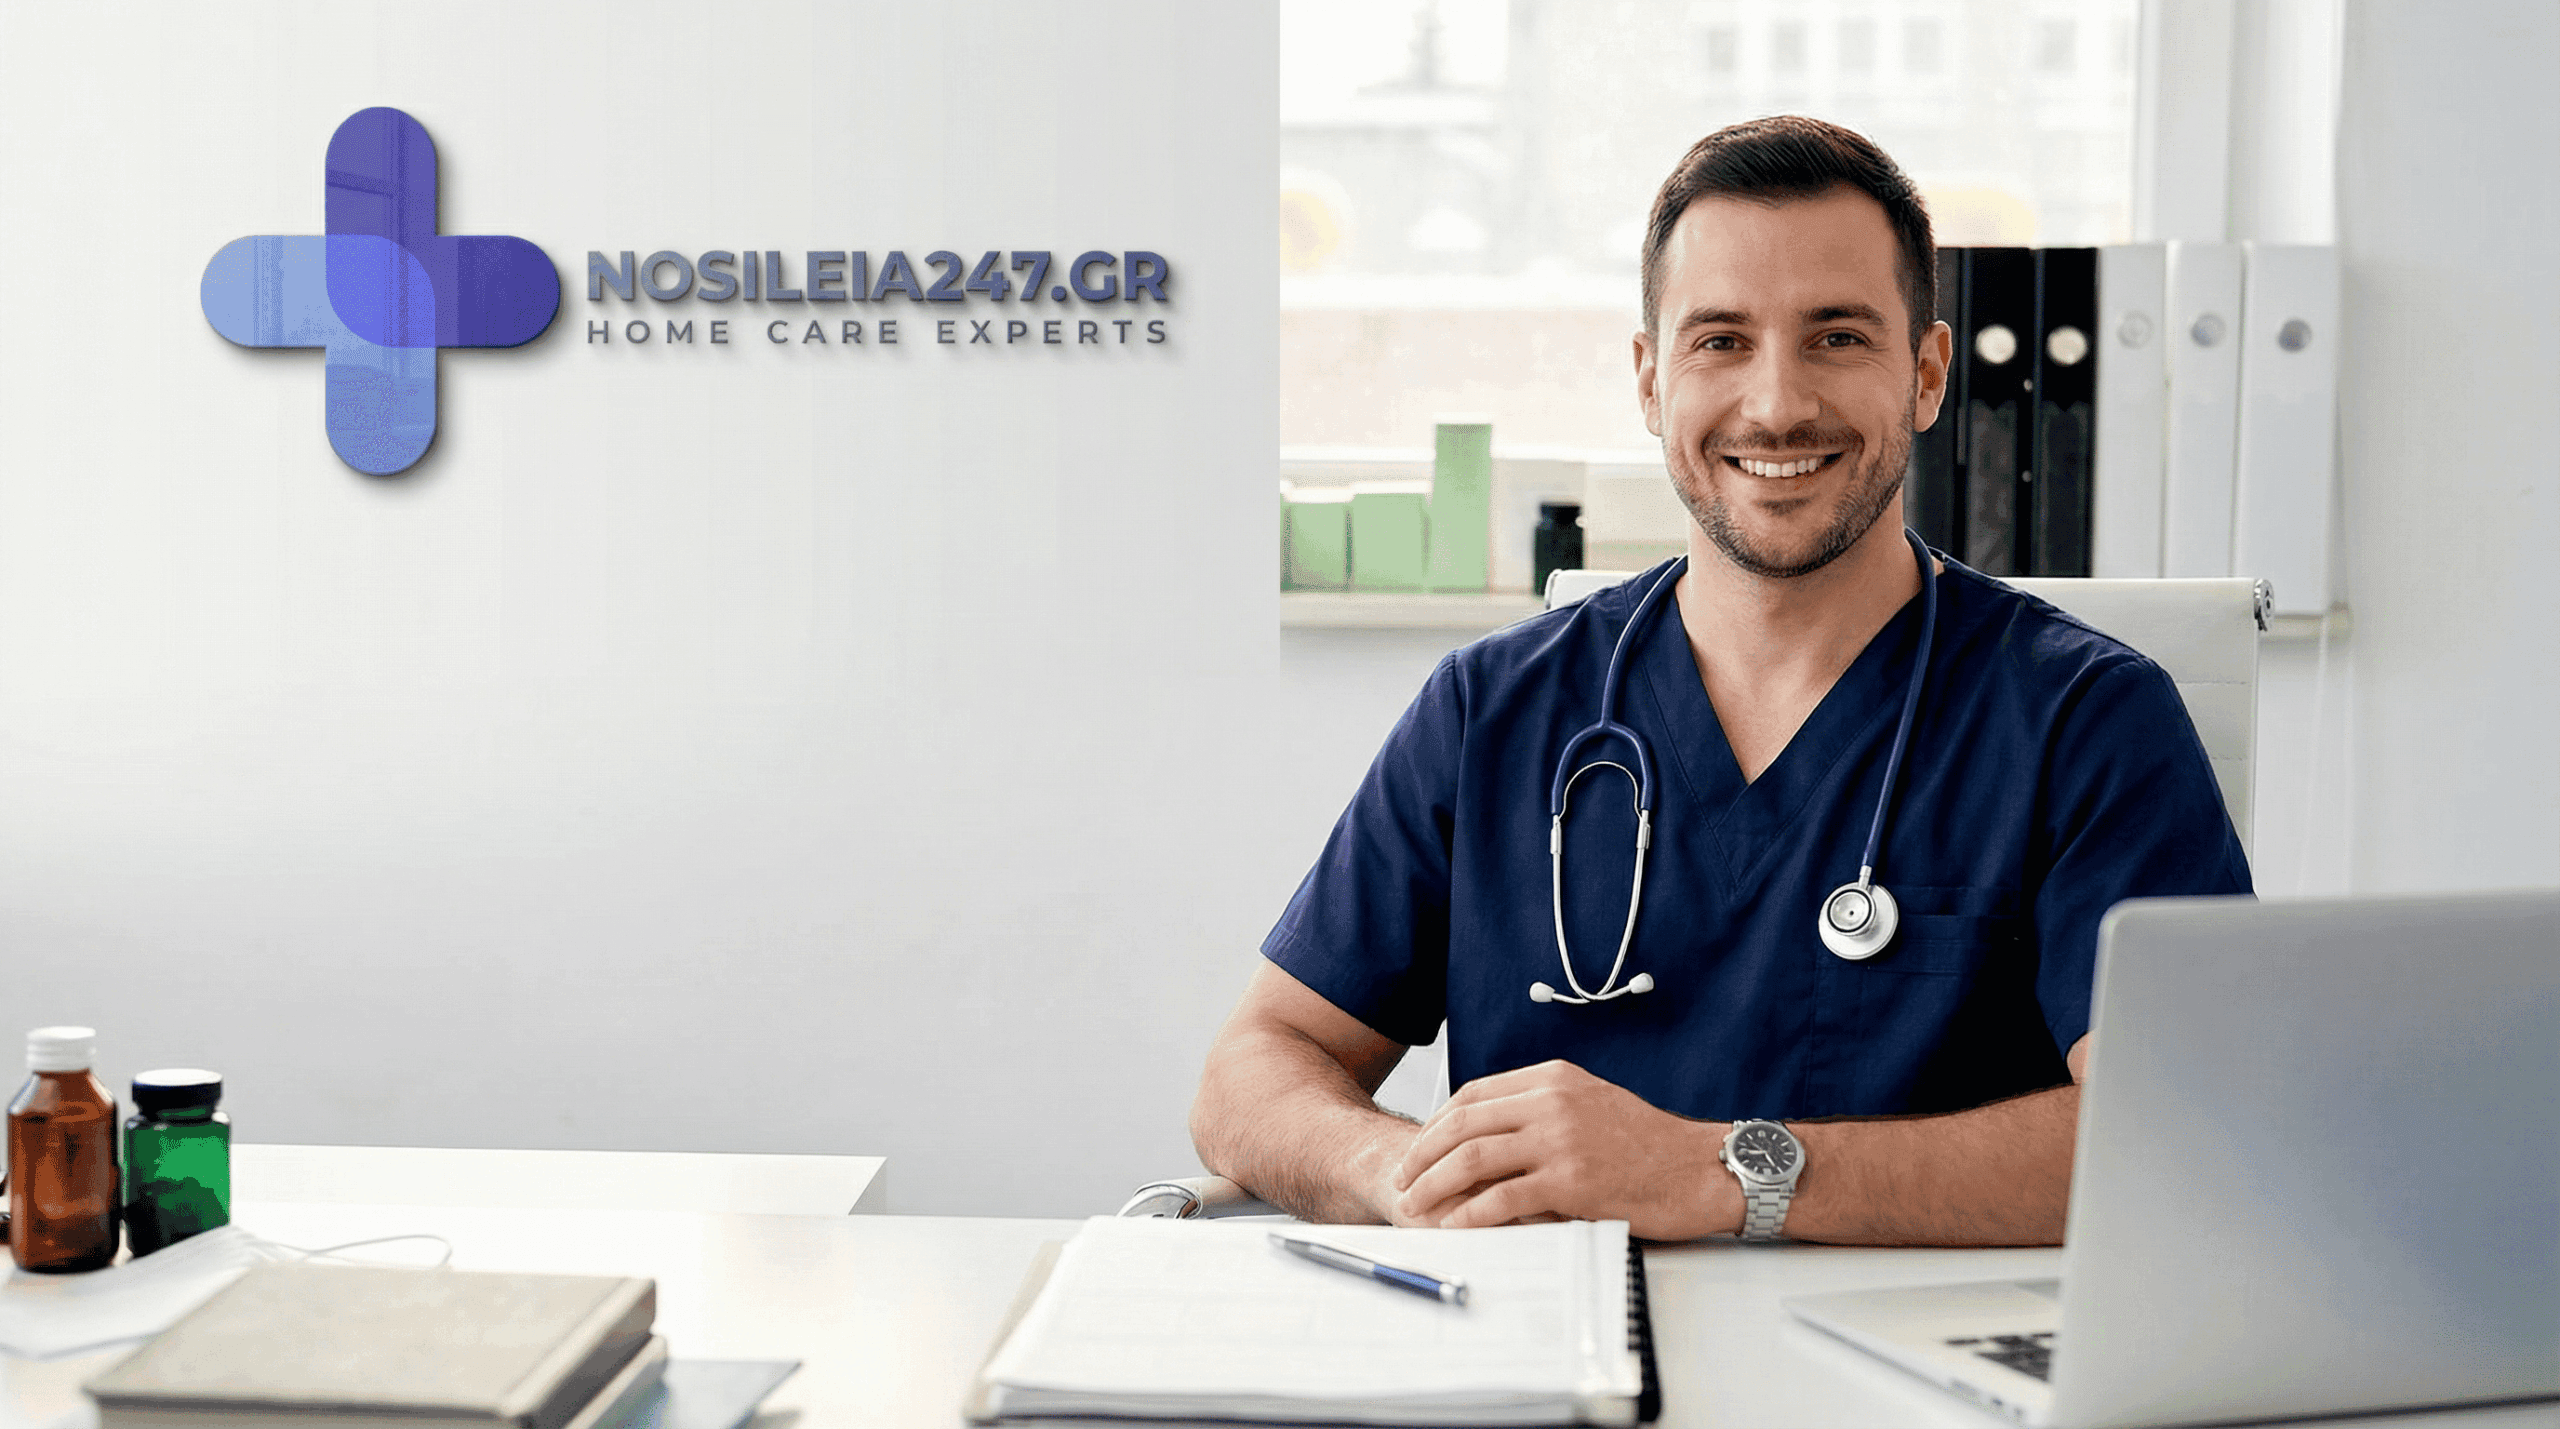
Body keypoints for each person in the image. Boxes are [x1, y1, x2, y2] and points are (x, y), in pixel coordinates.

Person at [1191, 116, 2252, 1246]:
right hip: (1562, 1335)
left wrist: (1730, 1172)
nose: (1777, 403)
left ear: (1928, 373)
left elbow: (2189, 1133)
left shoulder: (2088, 720)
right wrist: (1402, 1171)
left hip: (1920, 1345)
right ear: (1651, 381)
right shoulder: (1488, 712)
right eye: (1720, 341)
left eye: (1837, 337)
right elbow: (1257, 1065)